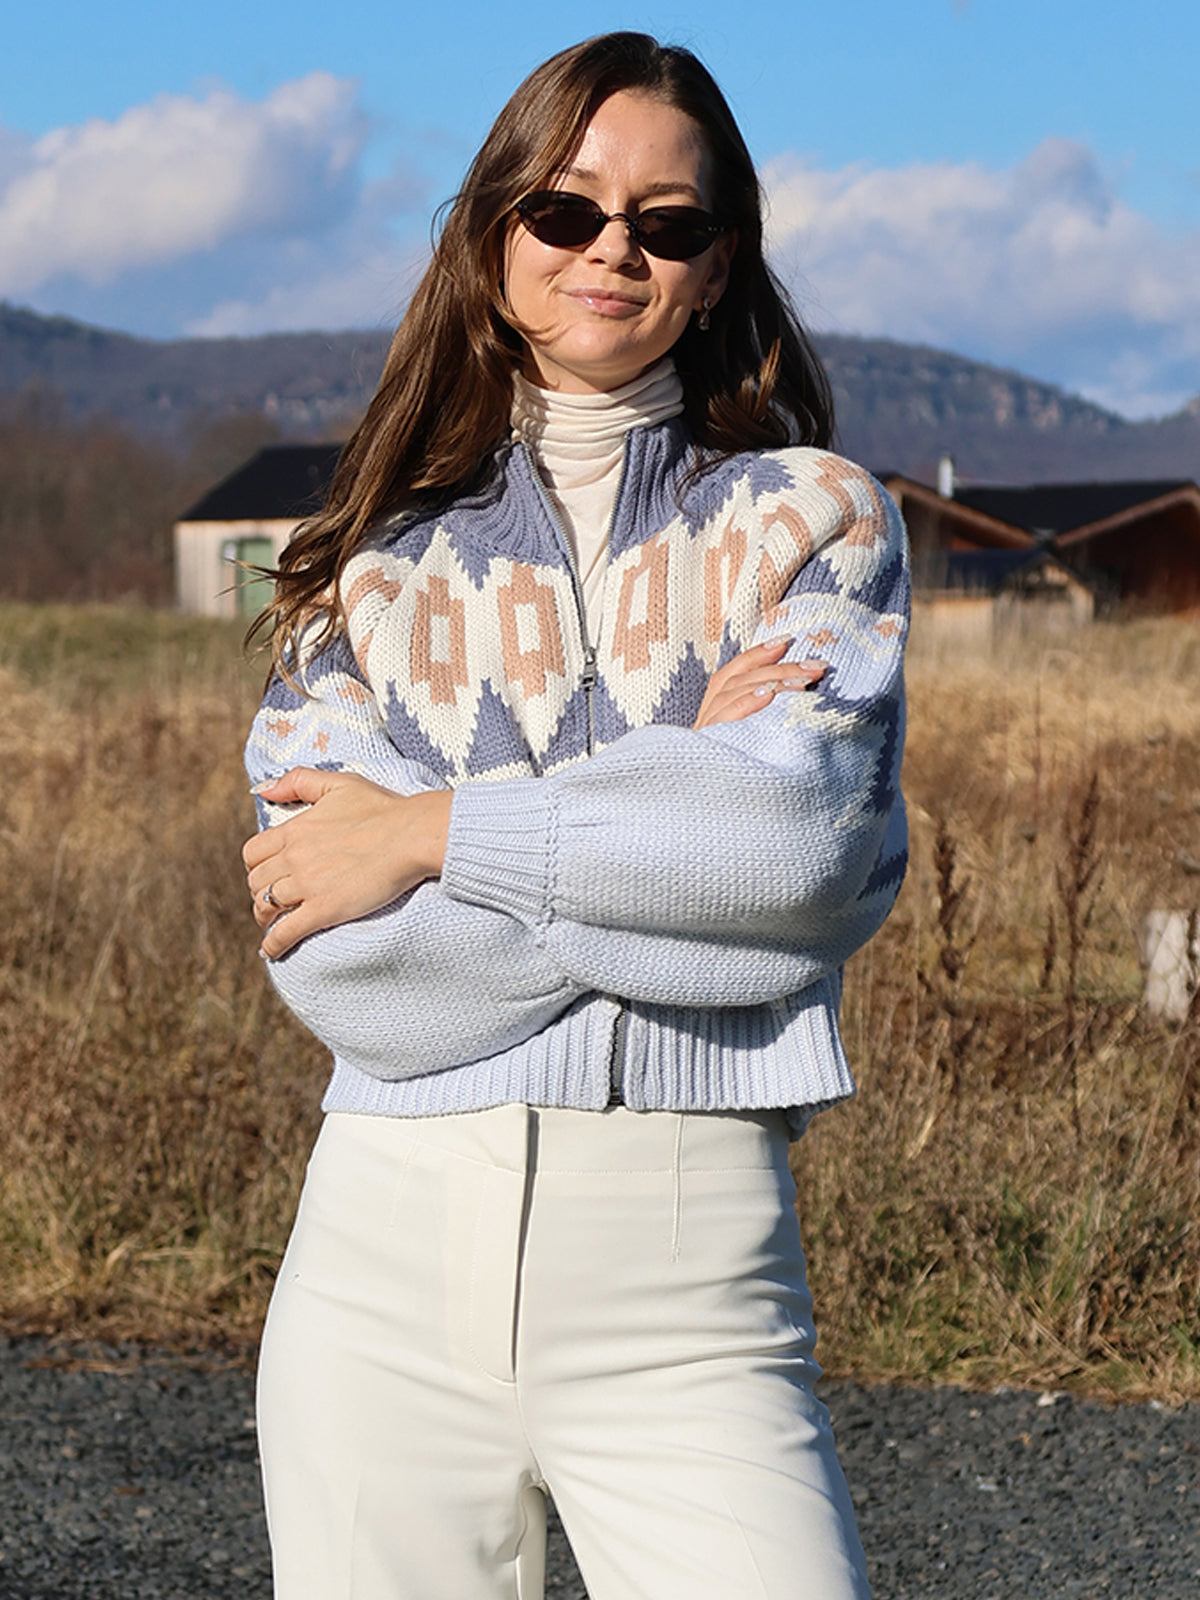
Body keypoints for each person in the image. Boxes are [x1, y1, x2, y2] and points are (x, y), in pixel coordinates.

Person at [241, 30, 908, 1600]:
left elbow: (793, 852)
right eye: (568, 211)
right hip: (377, 1277)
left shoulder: (816, 516)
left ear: (715, 261)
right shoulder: (365, 562)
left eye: (666, 224)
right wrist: (678, 843)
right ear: (495, 232)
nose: (615, 249)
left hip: (689, 1280)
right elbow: (340, 968)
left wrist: (422, 832)